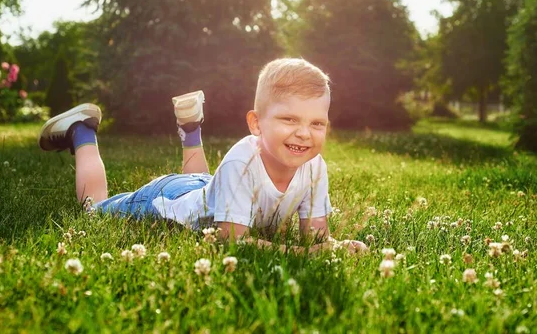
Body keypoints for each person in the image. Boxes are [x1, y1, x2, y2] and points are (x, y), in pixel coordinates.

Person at [38, 58, 367, 254]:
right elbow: (231, 241)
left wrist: (336, 247)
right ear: (256, 123)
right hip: (166, 200)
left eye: (316, 123)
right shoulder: (241, 162)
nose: (304, 133)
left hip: (209, 188)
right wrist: (299, 254)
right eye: (289, 119)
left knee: (208, 190)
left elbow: (316, 237)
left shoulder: (314, 166)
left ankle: (191, 127)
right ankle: (82, 131)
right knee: (92, 211)